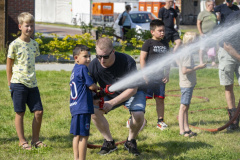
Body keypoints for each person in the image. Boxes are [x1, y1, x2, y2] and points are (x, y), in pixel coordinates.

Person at [88, 37, 146, 156]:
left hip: (132, 92)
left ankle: (130, 141)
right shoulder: (94, 64)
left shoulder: (127, 61)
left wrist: (112, 103)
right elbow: (91, 86)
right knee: (92, 111)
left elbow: (133, 88)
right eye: (99, 56)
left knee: (139, 115)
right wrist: (94, 97)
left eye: (105, 56)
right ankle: (109, 142)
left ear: (113, 51)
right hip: (109, 94)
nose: (102, 60)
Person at [6, 12, 46, 150]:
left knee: (39, 111)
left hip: (32, 83)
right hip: (18, 83)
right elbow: (9, 65)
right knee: (20, 112)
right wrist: (10, 82)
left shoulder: (35, 45)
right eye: (26, 26)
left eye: (31, 26)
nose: (29, 28)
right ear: (20, 27)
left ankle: (35, 140)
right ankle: (22, 141)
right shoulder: (14, 45)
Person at [69, 45, 99, 160]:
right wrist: (98, 88)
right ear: (76, 58)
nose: (88, 59)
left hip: (75, 107)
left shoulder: (74, 70)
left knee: (77, 135)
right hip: (83, 107)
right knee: (84, 136)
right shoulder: (83, 68)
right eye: (85, 56)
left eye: (89, 56)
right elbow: (91, 86)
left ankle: (76, 158)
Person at [140, 19, 170, 130]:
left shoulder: (165, 43)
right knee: (144, 99)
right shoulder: (148, 43)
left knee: (160, 99)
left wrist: (167, 74)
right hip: (148, 77)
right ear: (152, 32)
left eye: (163, 30)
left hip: (160, 77)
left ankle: (160, 121)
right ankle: (139, 119)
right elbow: (142, 59)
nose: (162, 33)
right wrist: (144, 75)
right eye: (160, 31)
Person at [178, 32, 206, 137]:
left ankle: (186, 128)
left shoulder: (187, 52)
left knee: (186, 106)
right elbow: (185, 70)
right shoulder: (187, 53)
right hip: (186, 84)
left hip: (188, 83)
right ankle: (182, 130)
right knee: (183, 107)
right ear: (190, 42)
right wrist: (199, 67)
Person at [217, 10, 240, 130]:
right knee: (228, 85)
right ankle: (233, 120)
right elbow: (226, 45)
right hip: (228, 53)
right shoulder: (233, 18)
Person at [197, 0, 217, 66]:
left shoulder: (214, 13)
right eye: (212, 4)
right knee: (202, 48)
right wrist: (200, 32)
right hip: (204, 34)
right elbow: (198, 23)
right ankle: (201, 62)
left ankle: (213, 62)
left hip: (212, 34)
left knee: (212, 48)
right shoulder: (202, 13)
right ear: (208, 5)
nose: (214, 6)